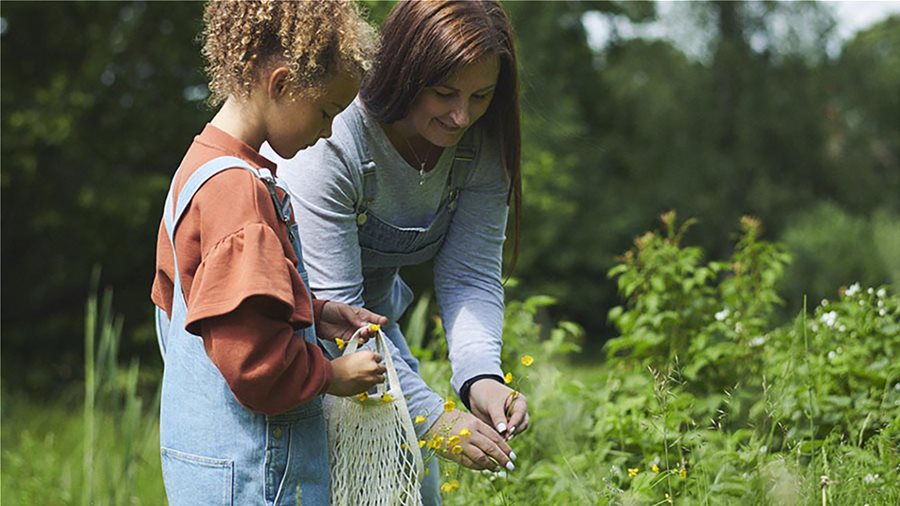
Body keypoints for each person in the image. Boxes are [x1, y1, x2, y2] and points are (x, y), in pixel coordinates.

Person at [267, 1, 529, 502]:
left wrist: (481, 378)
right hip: (284, 326)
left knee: (413, 480)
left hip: (369, 327)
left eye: (480, 96)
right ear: (406, 73)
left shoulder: (481, 146)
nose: (460, 116)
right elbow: (337, 315)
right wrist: (434, 417)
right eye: (444, 93)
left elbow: (470, 276)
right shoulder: (337, 138)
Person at [150, 2, 384, 504]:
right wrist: (332, 374)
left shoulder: (198, 169)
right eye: (326, 113)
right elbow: (252, 364)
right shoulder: (239, 192)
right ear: (280, 84)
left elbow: (203, 311)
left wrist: (313, 315)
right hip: (256, 475)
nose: (326, 133)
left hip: (205, 462)